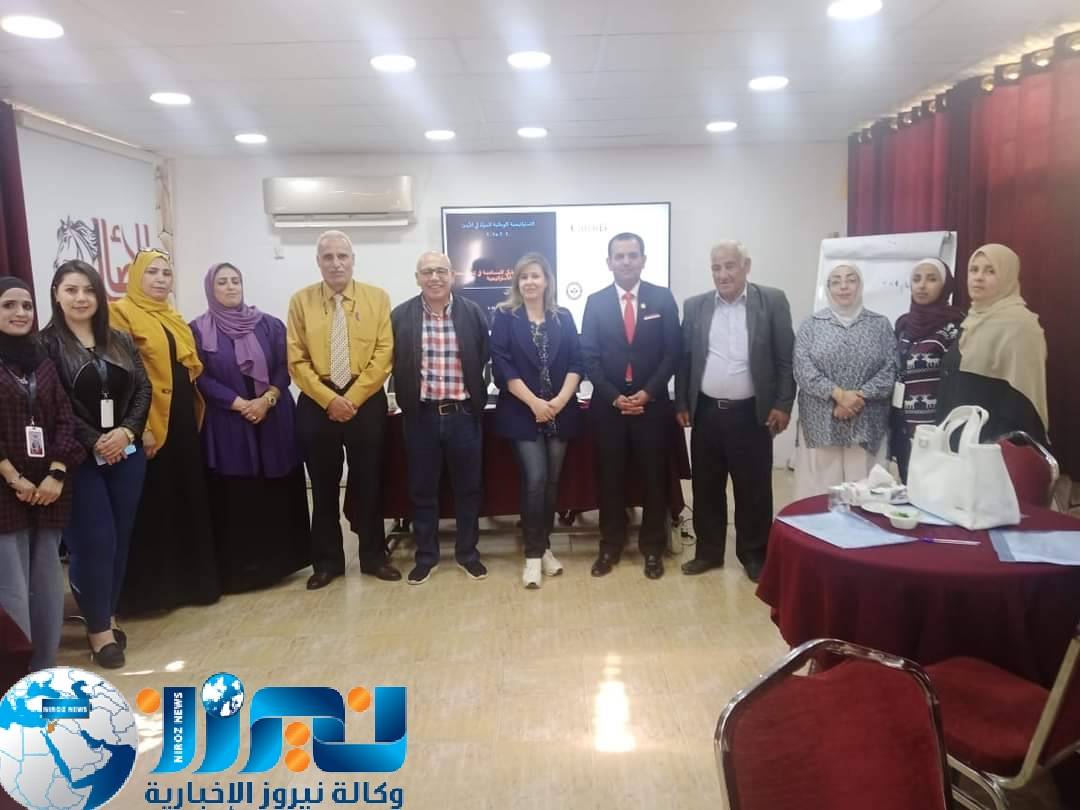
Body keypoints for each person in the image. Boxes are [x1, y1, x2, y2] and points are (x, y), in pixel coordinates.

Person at [41, 261, 150, 668]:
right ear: (56, 294)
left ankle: (107, 613)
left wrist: (127, 432)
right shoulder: (45, 345)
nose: (81, 298)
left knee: (119, 538)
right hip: (76, 460)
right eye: (71, 290)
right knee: (94, 542)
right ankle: (99, 631)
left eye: (89, 290)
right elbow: (55, 403)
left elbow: (142, 389)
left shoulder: (118, 338)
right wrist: (95, 441)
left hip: (126, 454)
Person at [675, 242, 795, 582]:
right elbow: (685, 360)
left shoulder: (772, 301)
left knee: (753, 488)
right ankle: (708, 552)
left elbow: (786, 359)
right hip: (707, 412)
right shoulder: (695, 306)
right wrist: (681, 403)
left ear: (746, 266)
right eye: (716, 268)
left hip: (752, 414)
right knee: (706, 486)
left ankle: (754, 554)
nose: (723, 274)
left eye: (730, 266)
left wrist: (783, 404)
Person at [110, 249, 221, 613]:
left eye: (166, 273)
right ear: (136, 276)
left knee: (184, 496)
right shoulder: (120, 313)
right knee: (153, 503)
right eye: (152, 272)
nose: (160, 279)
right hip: (149, 420)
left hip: (182, 418)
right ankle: (154, 594)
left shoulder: (172, 316)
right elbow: (123, 376)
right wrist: (140, 428)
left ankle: (191, 584)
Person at [287, 230, 399, 589]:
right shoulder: (300, 301)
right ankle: (327, 562)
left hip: (365, 400)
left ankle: (374, 557)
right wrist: (329, 399)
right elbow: (296, 359)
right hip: (317, 401)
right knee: (322, 487)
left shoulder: (377, 298)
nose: (336, 263)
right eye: (328, 257)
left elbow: (384, 353)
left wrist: (353, 397)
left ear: (353, 260)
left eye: (342, 256)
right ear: (318, 262)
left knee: (369, 482)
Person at [191, 263, 311, 592]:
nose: (230, 287)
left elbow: (285, 367)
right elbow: (199, 375)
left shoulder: (269, 325)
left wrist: (266, 400)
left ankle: (281, 564)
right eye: (222, 282)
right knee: (238, 493)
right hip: (228, 421)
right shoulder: (197, 331)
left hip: (272, 417)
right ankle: (243, 570)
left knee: (276, 488)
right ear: (210, 289)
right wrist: (239, 403)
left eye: (235, 281)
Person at [580, 232, 681, 580]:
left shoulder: (662, 298)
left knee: (654, 479)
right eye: (619, 256)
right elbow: (589, 356)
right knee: (610, 479)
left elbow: (672, 352)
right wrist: (614, 396)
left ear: (643, 260)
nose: (626, 261)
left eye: (632, 255)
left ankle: (652, 548)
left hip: (652, 408)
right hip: (608, 408)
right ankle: (610, 545)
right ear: (609, 262)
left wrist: (647, 393)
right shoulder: (595, 302)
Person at [391, 251, 490, 585]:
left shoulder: (472, 313)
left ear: (452, 275)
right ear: (417, 278)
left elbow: (483, 358)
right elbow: (394, 362)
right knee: (422, 491)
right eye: (427, 272)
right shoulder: (401, 316)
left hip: (463, 416)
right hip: (421, 417)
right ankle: (426, 557)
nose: (434, 277)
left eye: (440, 271)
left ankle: (468, 555)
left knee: (469, 490)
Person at [0, 277, 84, 672]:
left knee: (48, 585)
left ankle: (43, 669)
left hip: (49, 491)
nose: (20, 313)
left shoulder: (43, 362)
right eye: (8, 305)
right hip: (6, 492)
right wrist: (14, 478)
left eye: (27, 306)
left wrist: (56, 473)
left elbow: (66, 420)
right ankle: (15, 674)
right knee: (11, 587)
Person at [490, 253, 584, 589]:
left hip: (560, 412)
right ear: (517, 282)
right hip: (521, 412)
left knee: (551, 484)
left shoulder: (563, 317)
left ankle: (544, 548)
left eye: (536, 276)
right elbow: (502, 366)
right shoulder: (504, 316)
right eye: (524, 276)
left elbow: (577, 362)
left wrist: (557, 402)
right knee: (535, 479)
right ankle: (532, 555)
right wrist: (535, 403)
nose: (530, 282)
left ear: (547, 281)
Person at [794, 263, 897, 499]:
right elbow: (802, 369)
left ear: (860, 285)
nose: (843, 286)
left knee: (864, 490)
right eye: (836, 281)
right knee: (819, 493)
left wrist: (858, 397)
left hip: (866, 421)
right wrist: (839, 396)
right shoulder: (811, 325)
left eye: (851, 280)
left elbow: (890, 369)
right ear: (828, 288)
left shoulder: (880, 324)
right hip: (821, 421)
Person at [936, 244, 1048, 444]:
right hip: (958, 439)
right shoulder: (971, 320)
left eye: (990, 271)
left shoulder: (1020, 325)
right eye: (974, 269)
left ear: (1008, 276)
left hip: (991, 445)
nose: (978, 277)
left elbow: (1023, 398)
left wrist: (996, 446)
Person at [889, 259, 964, 481]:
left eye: (931, 279)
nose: (922, 285)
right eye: (916, 279)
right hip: (902, 425)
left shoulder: (955, 326)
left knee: (935, 488)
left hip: (937, 429)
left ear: (945, 286)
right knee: (908, 485)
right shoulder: (903, 325)